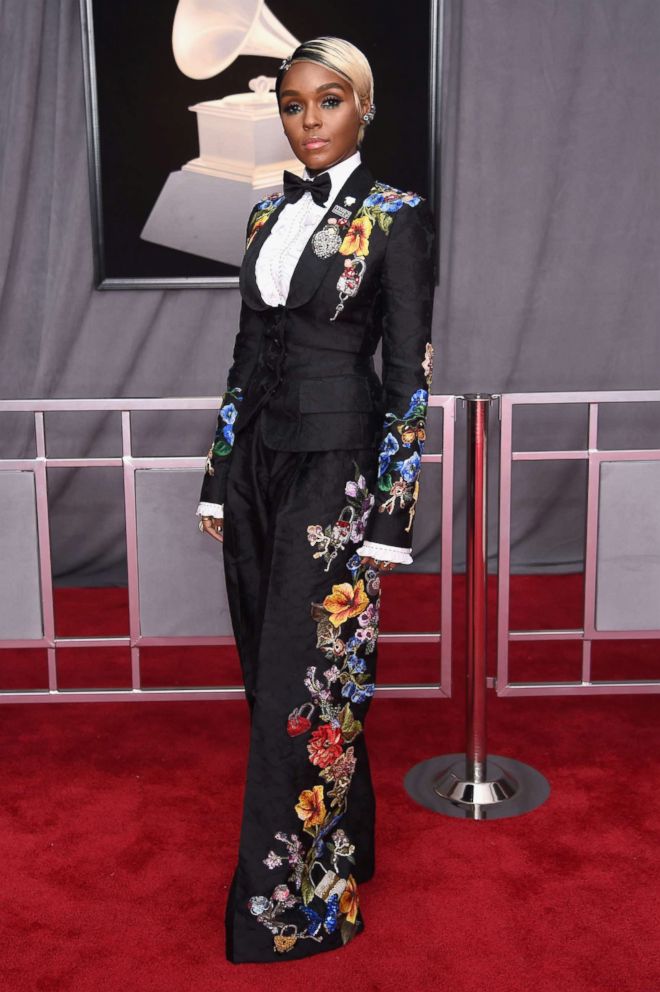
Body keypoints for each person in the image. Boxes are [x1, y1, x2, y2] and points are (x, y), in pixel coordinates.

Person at [197, 35, 435, 963]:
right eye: (294, 105)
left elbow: (407, 370)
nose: (309, 122)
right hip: (259, 462)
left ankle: (295, 911)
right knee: (277, 671)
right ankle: (357, 839)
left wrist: (390, 514)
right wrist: (219, 472)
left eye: (329, 102)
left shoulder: (398, 216)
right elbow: (248, 355)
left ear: (363, 107)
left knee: (304, 684)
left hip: (337, 468)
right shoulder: (266, 212)